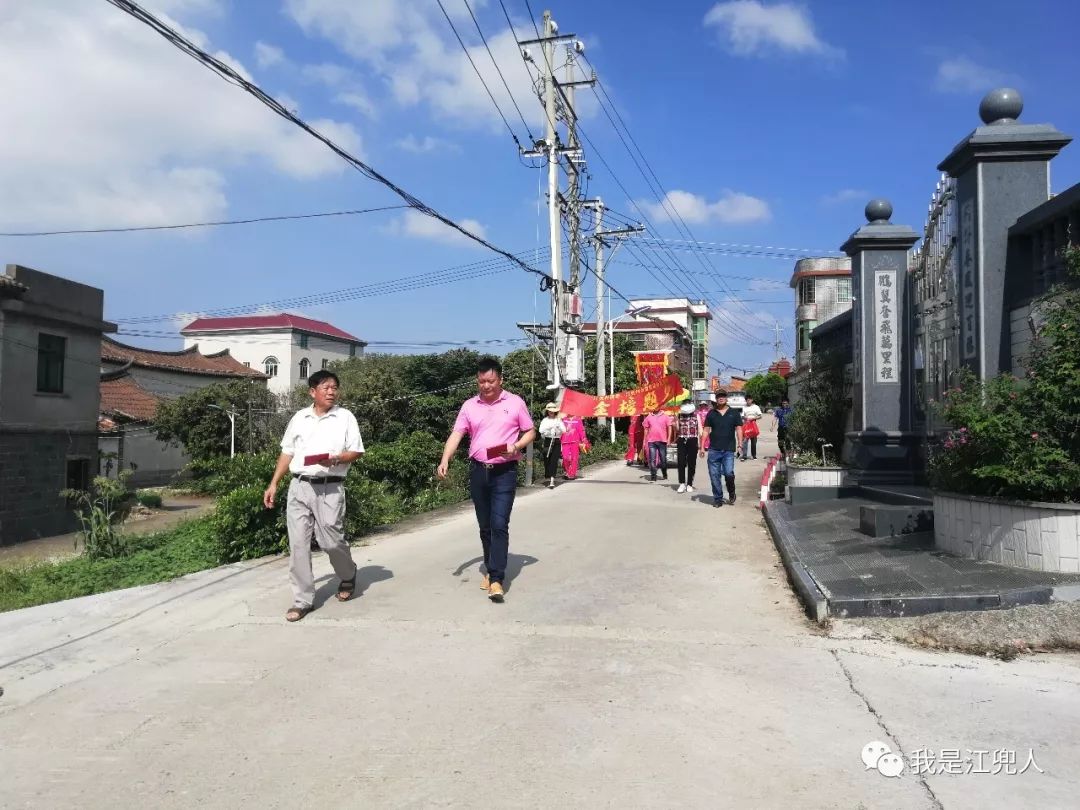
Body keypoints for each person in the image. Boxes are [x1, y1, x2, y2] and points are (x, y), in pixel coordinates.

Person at [263, 370, 363, 623]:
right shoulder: (299, 418)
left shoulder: (345, 417)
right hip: (299, 486)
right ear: (312, 392)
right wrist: (274, 483)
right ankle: (302, 599)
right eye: (326, 387)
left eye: (335, 387)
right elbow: (287, 453)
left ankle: (348, 573)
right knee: (298, 544)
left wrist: (337, 458)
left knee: (331, 541)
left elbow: (356, 451)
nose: (331, 391)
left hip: (330, 486)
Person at [437, 357, 536, 603]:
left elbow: (530, 430)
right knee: (485, 526)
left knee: (499, 523)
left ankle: (496, 579)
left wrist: (516, 446)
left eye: (490, 381)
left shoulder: (515, 403)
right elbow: (457, 433)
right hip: (479, 471)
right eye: (481, 381)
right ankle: (491, 565)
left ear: (500, 380)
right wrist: (445, 458)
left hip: (505, 472)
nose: (486, 386)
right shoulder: (470, 406)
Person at [700, 391, 743, 507]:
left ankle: (731, 491)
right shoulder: (711, 414)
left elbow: (739, 429)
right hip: (714, 450)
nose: (721, 398)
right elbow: (705, 430)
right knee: (714, 475)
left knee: (729, 473)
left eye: (723, 396)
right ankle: (718, 499)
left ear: (726, 398)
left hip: (728, 450)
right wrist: (702, 447)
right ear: (716, 399)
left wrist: (740, 444)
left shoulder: (734, 413)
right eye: (718, 397)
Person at [674, 402, 702, 494]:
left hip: (692, 440)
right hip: (682, 440)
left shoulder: (696, 416)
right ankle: (682, 483)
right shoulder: (679, 416)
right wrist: (675, 422)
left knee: (691, 463)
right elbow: (677, 429)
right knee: (681, 462)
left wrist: (701, 444)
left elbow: (700, 430)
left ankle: (689, 484)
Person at [642, 403, 673, 482]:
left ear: (660, 406)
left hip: (662, 441)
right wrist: (644, 441)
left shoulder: (665, 416)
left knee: (663, 460)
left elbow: (669, 427)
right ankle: (653, 476)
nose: (655, 407)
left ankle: (664, 473)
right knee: (652, 459)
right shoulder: (649, 417)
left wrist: (669, 439)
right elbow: (645, 429)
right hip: (651, 441)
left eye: (657, 405)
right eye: (654, 406)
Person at [538, 403, 565, 489]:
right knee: (547, 460)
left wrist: (558, 428)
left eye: (553, 411)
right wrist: (550, 428)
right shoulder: (545, 420)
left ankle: (552, 480)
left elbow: (564, 430)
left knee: (554, 460)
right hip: (547, 441)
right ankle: (549, 476)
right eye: (549, 411)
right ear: (547, 412)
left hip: (556, 441)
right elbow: (541, 430)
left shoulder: (558, 420)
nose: (551, 413)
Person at [560, 412, 589, 480]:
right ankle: (567, 471)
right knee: (565, 458)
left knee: (574, 458)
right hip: (565, 442)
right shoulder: (563, 420)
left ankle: (572, 474)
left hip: (575, 442)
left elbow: (581, 431)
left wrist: (584, 440)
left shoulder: (578, 420)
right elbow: (560, 431)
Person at [740, 395, 763, 461]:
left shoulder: (756, 407)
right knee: (745, 441)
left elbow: (760, 416)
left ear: (752, 400)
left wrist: (754, 418)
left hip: (753, 424)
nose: (748, 401)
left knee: (753, 441)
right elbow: (742, 416)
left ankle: (754, 455)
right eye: (747, 400)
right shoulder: (744, 407)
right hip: (746, 424)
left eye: (749, 400)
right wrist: (745, 418)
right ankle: (744, 455)